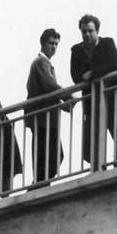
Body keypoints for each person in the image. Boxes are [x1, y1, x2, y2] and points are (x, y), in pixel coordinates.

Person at [69, 14, 117, 166]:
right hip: (93, 100)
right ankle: (97, 169)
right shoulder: (76, 50)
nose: (87, 35)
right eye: (84, 31)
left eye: (90, 31)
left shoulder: (107, 43)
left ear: (97, 31)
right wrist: (96, 73)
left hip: (115, 95)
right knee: (94, 137)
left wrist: (92, 73)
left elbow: (114, 64)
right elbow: (76, 76)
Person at [26, 29, 69, 186]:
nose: (54, 47)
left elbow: (48, 90)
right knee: (48, 156)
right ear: (43, 44)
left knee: (53, 156)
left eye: (56, 44)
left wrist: (65, 105)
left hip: (47, 118)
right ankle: (38, 186)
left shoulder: (44, 63)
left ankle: (40, 184)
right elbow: (50, 85)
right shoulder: (40, 62)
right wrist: (68, 96)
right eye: (51, 43)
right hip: (43, 119)